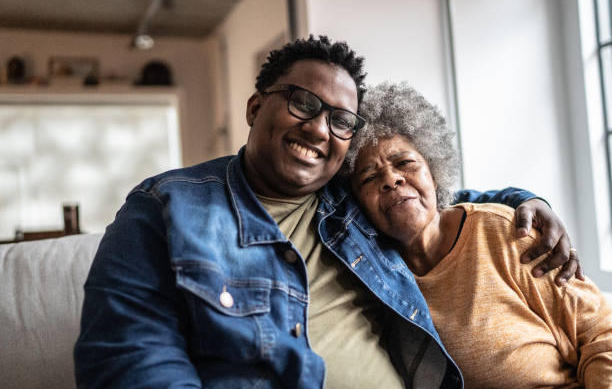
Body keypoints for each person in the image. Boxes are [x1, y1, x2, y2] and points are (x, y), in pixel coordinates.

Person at [74, 36, 581, 389]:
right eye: (301, 102)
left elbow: (431, 196)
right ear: (255, 108)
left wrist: (526, 200)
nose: (319, 129)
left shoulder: (352, 202)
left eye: (341, 121)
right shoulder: (165, 208)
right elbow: (131, 361)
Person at [347, 81, 612, 388]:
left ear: (434, 171)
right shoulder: (372, 275)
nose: (391, 179)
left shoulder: (504, 232)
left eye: (405, 163)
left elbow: (602, 334)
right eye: (369, 177)